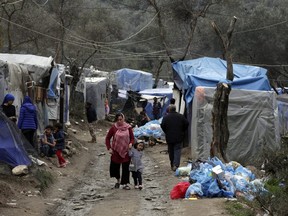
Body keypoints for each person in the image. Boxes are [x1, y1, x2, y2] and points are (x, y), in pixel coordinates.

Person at [105, 113, 135, 190]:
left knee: (125, 167)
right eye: (118, 120)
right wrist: (109, 148)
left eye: (121, 119)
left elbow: (132, 138)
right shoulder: (114, 128)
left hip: (126, 150)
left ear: (123, 119)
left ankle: (125, 183)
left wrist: (131, 143)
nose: (119, 121)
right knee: (115, 167)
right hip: (116, 151)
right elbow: (107, 138)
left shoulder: (128, 128)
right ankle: (118, 180)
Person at [160, 105, 189, 171]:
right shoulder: (180, 116)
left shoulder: (166, 117)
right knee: (177, 150)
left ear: (169, 110)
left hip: (169, 137)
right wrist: (182, 130)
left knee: (171, 151)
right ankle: (176, 165)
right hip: (179, 136)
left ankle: (172, 164)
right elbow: (187, 123)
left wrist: (166, 131)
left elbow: (162, 125)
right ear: (175, 109)